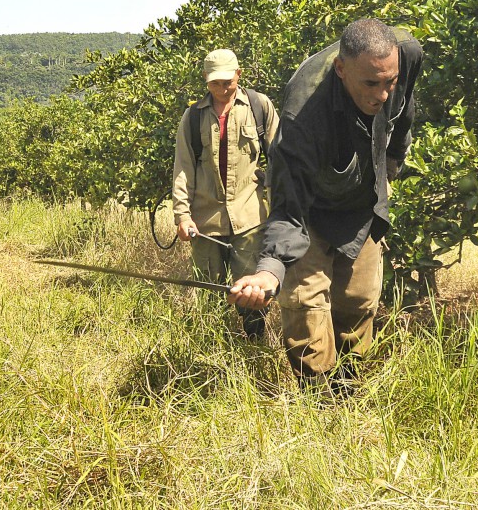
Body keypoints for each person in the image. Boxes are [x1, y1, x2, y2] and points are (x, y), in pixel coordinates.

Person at [228, 19, 423, 389]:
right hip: (310, 211)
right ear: (341, 68)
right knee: (305, 309)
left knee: (358, 303)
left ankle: (349, 392)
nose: (382, 95)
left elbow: (403, 115)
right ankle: (319, 406)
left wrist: (392, 162)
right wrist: (269, 271)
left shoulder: (407, 55)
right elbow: (288, 208)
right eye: (370, 83)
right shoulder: (302, 117)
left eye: (389, 82)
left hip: (363, 204)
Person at [172, 48, 279, 338]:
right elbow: (183, 168)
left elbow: (282, 159)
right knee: (208, 293)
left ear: (238, 75)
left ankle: (255, 348)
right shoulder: (193, 117)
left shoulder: (259, 106)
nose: (221, 89)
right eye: (214, 83)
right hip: (206, 222)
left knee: (253, 296)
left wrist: (283, 208)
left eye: (227, 82)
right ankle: (213, 350)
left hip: (249, 218)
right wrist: (182, 215)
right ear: (206, 80)